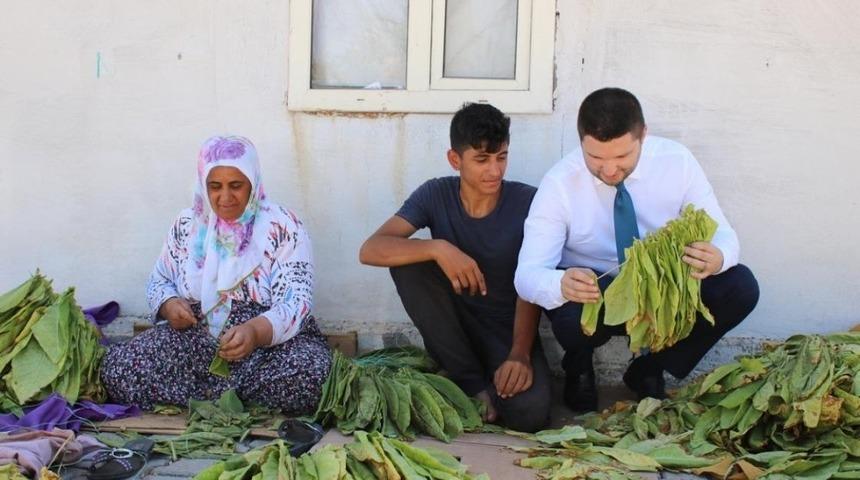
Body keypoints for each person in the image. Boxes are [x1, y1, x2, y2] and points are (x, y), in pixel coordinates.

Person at [514, 88, 760, 411]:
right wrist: (560, 284)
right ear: (581, 142)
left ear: (643, 135)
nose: (610, 170)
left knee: (741, 287)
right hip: (596, 292)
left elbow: (725, 235)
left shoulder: (677, 162)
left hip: (660, 290)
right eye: (596, 158)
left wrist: (719, 256)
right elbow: (527, 275)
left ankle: (651, 368)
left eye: (622, 157)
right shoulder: (560, 182)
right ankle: (579, 365)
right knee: (570, 316)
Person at [101, 136, 331, 414]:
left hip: (268, 346)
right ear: (203, 184)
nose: (225, 197)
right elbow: (159, 279)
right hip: (195, 341)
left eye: (236, 186)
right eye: (215, 186)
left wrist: (254, 332)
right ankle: (232, 397)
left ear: (253, 183)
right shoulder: (188, 224)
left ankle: (210, 395)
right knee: (119, 371)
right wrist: (169, 304)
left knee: (310, 374)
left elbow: (297, 301)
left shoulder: (283, 227)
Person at [359, 103, 551, 432]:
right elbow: (371, 249)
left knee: (529, 416)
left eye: (501, 157)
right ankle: (472, 383)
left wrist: (519, 353)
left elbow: (534, 281)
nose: (494, 171)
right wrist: (437, 247)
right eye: (481, 159)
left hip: (507, 330)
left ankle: (469, 380)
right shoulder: (436, 194)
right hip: (453, 329)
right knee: (409, 265)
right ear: (455, 159)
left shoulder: (529, 202)